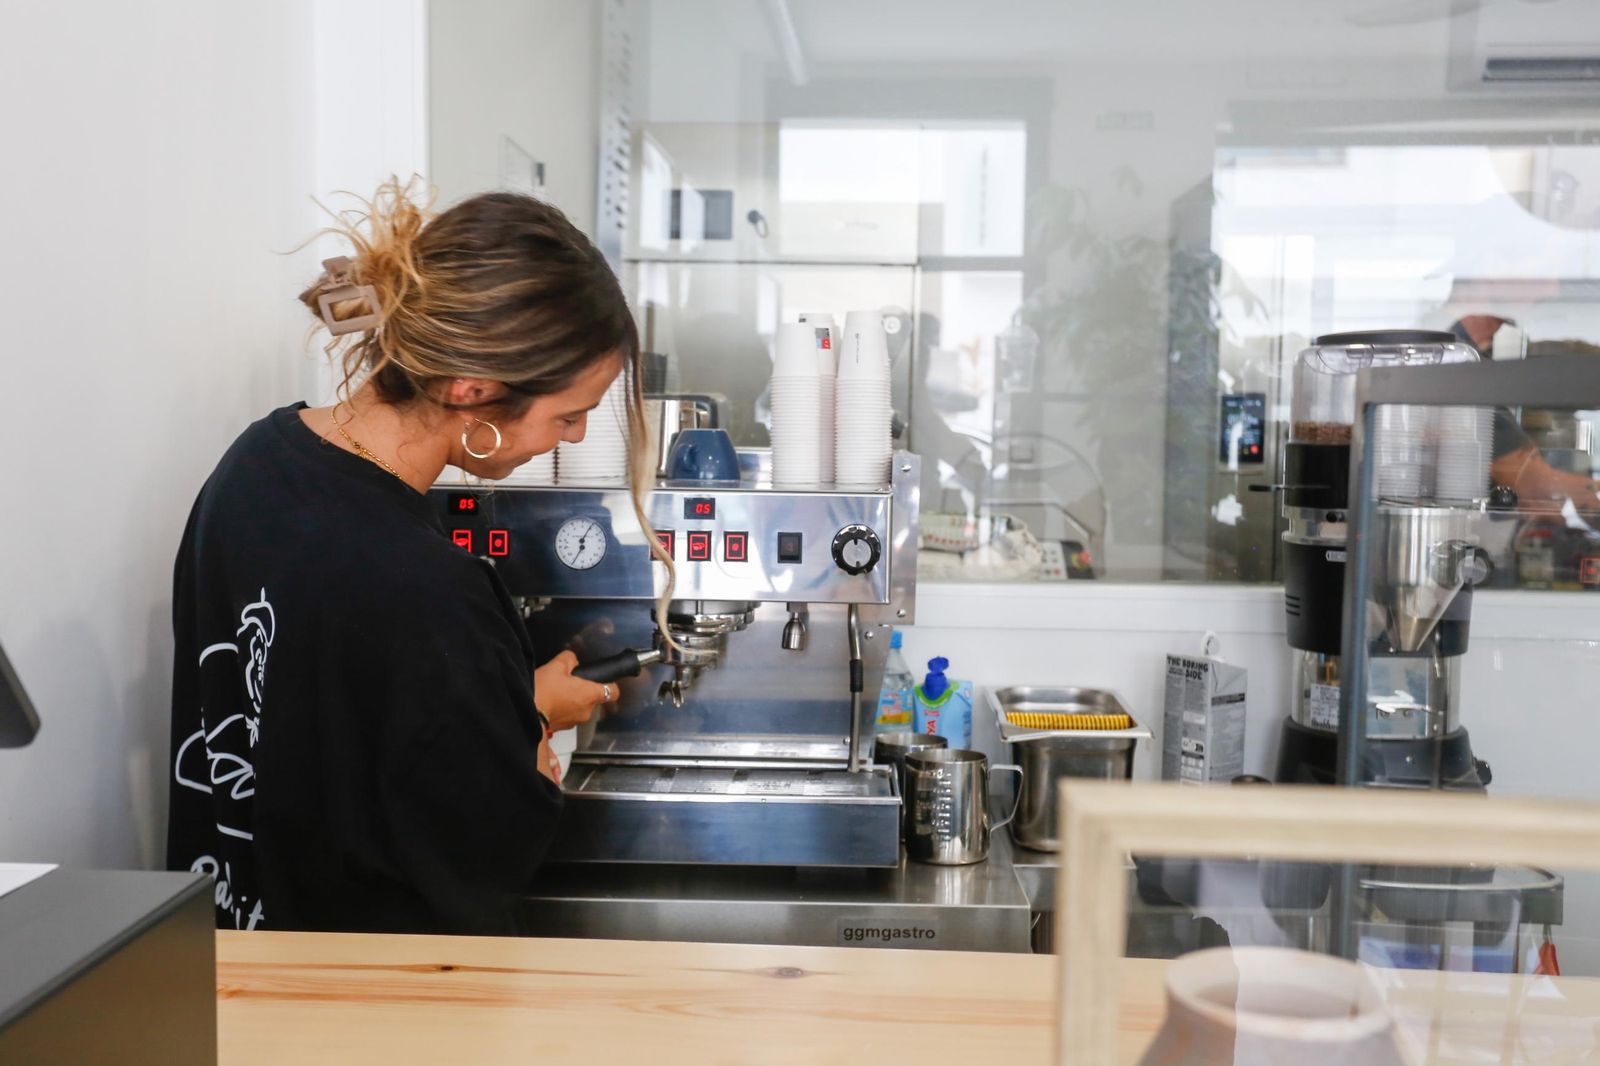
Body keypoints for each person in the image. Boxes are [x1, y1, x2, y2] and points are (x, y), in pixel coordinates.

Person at [166, 179, 670, 935]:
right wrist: (527, 728)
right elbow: (474, 853)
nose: (570, 438)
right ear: (473, 391)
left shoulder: (254, 465)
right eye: (569, 415)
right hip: (360, 1002)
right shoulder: (432, 587)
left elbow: (320, 730)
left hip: (232, 955)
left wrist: (494, 702)